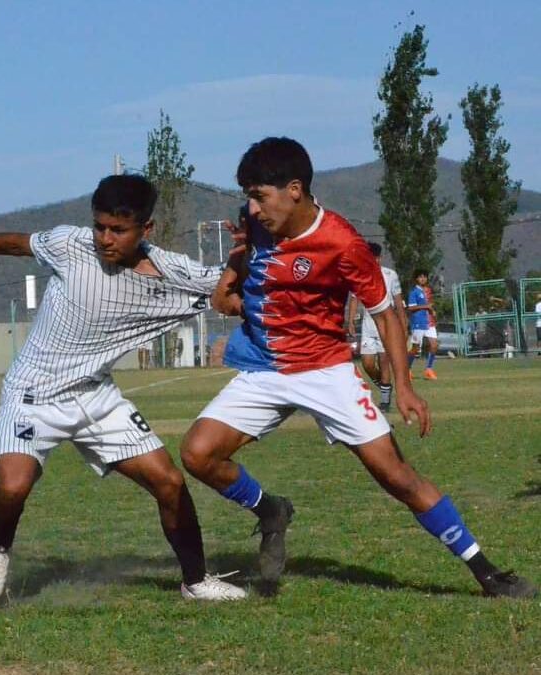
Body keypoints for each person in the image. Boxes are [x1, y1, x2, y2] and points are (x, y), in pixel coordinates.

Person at [178, 136, 535, 599]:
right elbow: (226, 298)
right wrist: (238, 263)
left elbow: (386, 313)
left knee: (396, 477)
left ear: (294, 190)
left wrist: (403, 386)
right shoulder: (256, 223)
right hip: (267, 368)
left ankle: (487, 572)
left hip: (326, 372)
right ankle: (271, 511)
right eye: (248, 196)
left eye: (259, 196)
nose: (253, 207)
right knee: (197, 453)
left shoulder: (342, 243)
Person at [0, 174, 245, 602]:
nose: (105, 239)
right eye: (100, 226)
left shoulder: (173, 272)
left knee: (168, 482)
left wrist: (247, 252)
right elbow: (17, 242)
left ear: (145, 230)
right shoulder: (69, 245)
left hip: (95, 396)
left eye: (118, 230)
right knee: (14, 487)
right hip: (32, 393)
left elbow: (228, 288)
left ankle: (195, 581)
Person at [346, 242, 408, 412]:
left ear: (380, 258)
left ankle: (385, 402)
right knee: (367, 364)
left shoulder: (390, 275)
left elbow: (398, 303)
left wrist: (403, 326)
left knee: (384, 362)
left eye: (375, 258)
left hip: (387, 325)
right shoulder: (359, 274)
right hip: (368, 327)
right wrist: (350, 321)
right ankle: (385, 388)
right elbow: (354, 299)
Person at [406, 270, 439, 380]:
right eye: (420, 277)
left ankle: (429, 370)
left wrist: (432, 311)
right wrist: (425, 307)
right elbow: (410, 307)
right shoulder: (414, 292)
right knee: (415, 348)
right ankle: (407, 370)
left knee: (434, 345)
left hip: (429, 322)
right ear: (416, 279)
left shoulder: (428, 291)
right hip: (418, 322)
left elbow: (429, 305)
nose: (423, 279)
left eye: (424, 277)